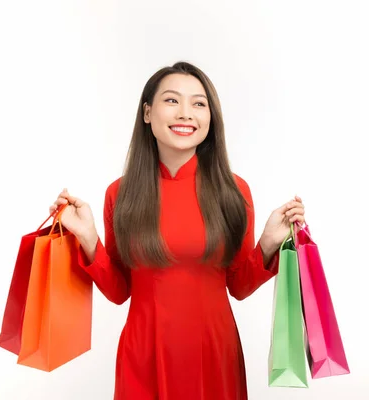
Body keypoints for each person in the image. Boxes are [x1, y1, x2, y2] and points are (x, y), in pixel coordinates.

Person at [49, 61, 305, 400]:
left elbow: (240, 285)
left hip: (214, 352)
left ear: (210, 119)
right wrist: (89, 239)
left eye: (199, 104)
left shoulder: (234, 191)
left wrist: (269, 243)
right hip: (144, 353)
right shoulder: (120, 193)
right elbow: (120, 290)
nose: (186, 113)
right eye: (172, 101)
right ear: (147, 113)